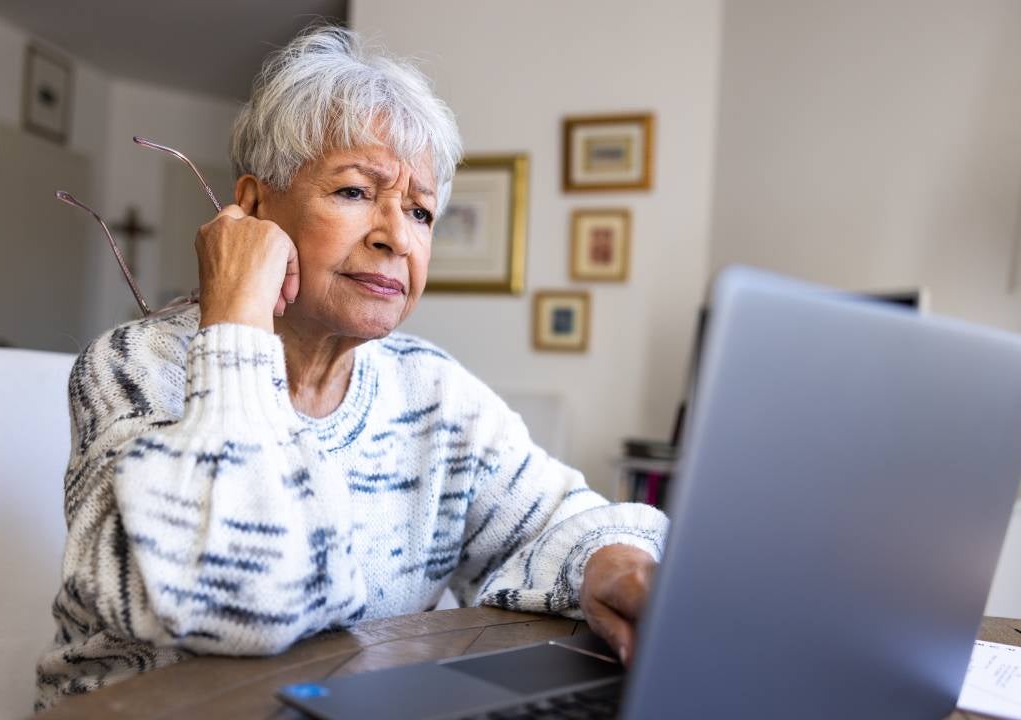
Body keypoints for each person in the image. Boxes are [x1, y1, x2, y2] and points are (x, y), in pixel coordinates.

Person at [35, 25, 667, 711]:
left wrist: (611, 559)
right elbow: (242, 598)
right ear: (252, 207)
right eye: (355, 192)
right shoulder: (135, 367)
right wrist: (238, 322)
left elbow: (560, 518)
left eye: (420, 211)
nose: (396, 237)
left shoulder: (432, 391)